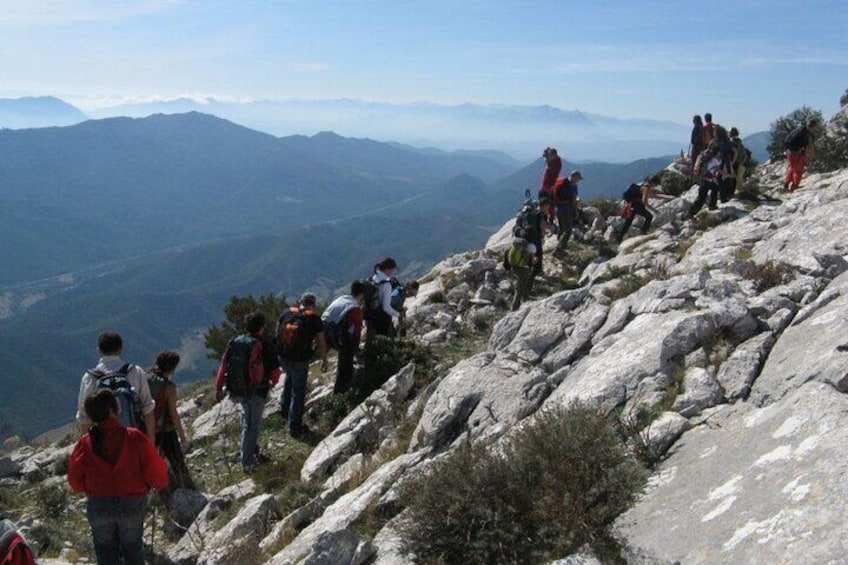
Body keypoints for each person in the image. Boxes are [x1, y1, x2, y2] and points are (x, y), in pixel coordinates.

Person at [68, 389, 168, 565]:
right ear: (112, 410)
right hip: (131, 504)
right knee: (133, 549)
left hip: (99, 506)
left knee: (105, 552)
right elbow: (157, 475)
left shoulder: (85, 444)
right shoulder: (134, 437)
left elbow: (75, 482)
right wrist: (156, 484)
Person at [214, 312, 281, 469]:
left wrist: (218, 387)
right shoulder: (264, 344)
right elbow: (275, 371)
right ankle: (248, 463)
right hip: (257, 390)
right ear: (262, 327)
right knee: (252, 426)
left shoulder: (235, 342)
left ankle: (251, 451)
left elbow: (223, 365)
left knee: (247, 420)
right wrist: (273, 383)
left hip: (237, 389)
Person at [77, 332, 156, 444]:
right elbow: (148, 410)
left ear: (99, 351)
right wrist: (151, 442)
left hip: (104, 445)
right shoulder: (135, 371)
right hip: (133, 439)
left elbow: (84, 418)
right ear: (120, 349)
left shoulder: (89, 378)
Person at [277, 294, 328, 437]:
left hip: (283, 357)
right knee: (298, 393)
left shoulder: (287, 312)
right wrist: (324, 360)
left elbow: (277, 333)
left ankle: (284, 411)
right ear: (313, 304)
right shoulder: (313, 318)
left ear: (300, 302)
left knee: (289, 379)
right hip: (299, 359)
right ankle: (295, 427)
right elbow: (321, 342)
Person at [146, 350, 194, 490]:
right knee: (177, 461)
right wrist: (183, 437)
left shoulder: (144, 378)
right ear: (172, 368)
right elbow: (173, 414)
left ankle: (156, 487)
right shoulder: (169, 388)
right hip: (165, 429)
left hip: (145, 428)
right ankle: (186, 486)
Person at [323, 282, 365, 395]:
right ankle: (341, 393)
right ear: (361, 294)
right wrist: (355, 348)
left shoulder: (341, 299)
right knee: (345, 366)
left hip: (326, 334)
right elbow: (357, 330)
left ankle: (338, 392)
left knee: (342, 364)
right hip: (341, 338)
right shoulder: (355, 308)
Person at [617, 175, 662, 242]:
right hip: (637, 207)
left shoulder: (642, 184)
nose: (655, 186)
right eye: (655, 184)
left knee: (628, 223)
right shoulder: (647, 188)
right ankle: (643, 232)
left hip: (632, 205)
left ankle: (619, 238)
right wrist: (654, 210)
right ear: (653, 182)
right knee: (649, 217)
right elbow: (644, 201)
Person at [503, 229, 537, 311]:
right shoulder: (530, 246)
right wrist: (534, 261)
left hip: (513, 267)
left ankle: (522, 299)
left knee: (520, 286)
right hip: (523, 269)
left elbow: (507, 252)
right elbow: (531, 262)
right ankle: (514, 308)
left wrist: (507, 267)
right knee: (520, 289)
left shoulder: (516, 243)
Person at [782, 118, 819, 192]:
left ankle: (786, 183)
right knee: (798, 170)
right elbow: (811, 147)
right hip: (798, 152)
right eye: (815, 127)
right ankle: (794, 188)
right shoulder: (809, 135)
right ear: (813, 126)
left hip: (790, 151)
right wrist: (811, 159)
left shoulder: (800, 129)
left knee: (792, 167)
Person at [369, 258, 402, 337]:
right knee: (384, 342)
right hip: (381, 318)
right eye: (392, 270)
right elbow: (386, 307)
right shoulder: (386, 284)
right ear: (388, 269)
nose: (392, 272)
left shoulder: (373, 277)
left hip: (370, 316)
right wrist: (398, 314)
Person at [553, 170, 582, 255]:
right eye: (578, 178)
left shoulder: (561, 182)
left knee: (562, 229)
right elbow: (574, 200)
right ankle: (558, 249)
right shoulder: (573, 186)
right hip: (567, 210)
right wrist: (576, 210)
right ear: (574, 177)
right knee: (568, 231)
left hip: (558, 209)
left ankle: (560, 246)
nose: (578, 180)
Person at [688, 147, 722, 218]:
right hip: (709, 179)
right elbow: (716, 170)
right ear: (717, 153)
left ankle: (691, 212)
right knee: (715, 189)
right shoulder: (715, 160)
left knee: (702, 197)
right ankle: (712, 205)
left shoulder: (706, 158)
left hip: (703, 178)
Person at [538, 147, 562, 221]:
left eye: (549, 155)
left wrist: (547, 158)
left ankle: (548, 219)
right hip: (546, 186)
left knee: (548, 204)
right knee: (545, 203)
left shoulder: (556, 164)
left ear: (554, 155)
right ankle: (544, 219)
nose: (548, 157)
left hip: (549, 187)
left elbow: (550, 168)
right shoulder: (555, 161)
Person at [729, 127, 748, 197]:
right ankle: (741, 194)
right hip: (742, 162)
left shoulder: (731, 142)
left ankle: (734, 194)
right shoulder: (740, 142)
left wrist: (732, 162)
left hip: (735, 162)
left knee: (734, 178)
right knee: (740, 179)